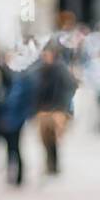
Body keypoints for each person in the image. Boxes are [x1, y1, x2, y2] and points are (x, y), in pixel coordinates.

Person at [33, 43, 76, 175]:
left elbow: (70, 87)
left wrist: (62, 106)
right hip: (43, 109)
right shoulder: (40, 69)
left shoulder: (60, 69)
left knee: (55, 138)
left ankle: (54, 165)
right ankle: (49, 164)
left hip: (57, 109)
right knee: (45, 140)